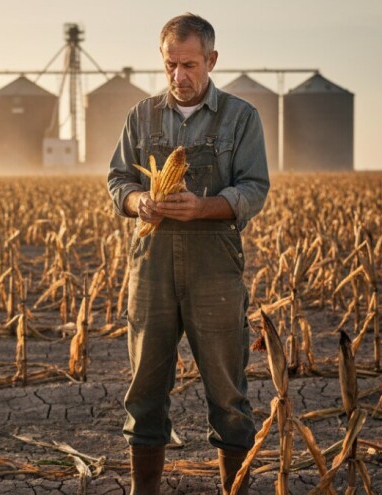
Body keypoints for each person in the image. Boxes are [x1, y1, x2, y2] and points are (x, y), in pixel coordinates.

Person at [106, 13, 270, 495]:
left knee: (228, 392)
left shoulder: (240, 118)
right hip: (151, 263)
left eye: (190, 65)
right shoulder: (142, 116)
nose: (179, 76)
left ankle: (231, 488)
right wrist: (141, 202)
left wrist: (202, 208)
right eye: (170, 65)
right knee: (145, 390)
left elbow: (255, 188)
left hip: (214, 267)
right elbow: (118, 180)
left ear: (211, 61)